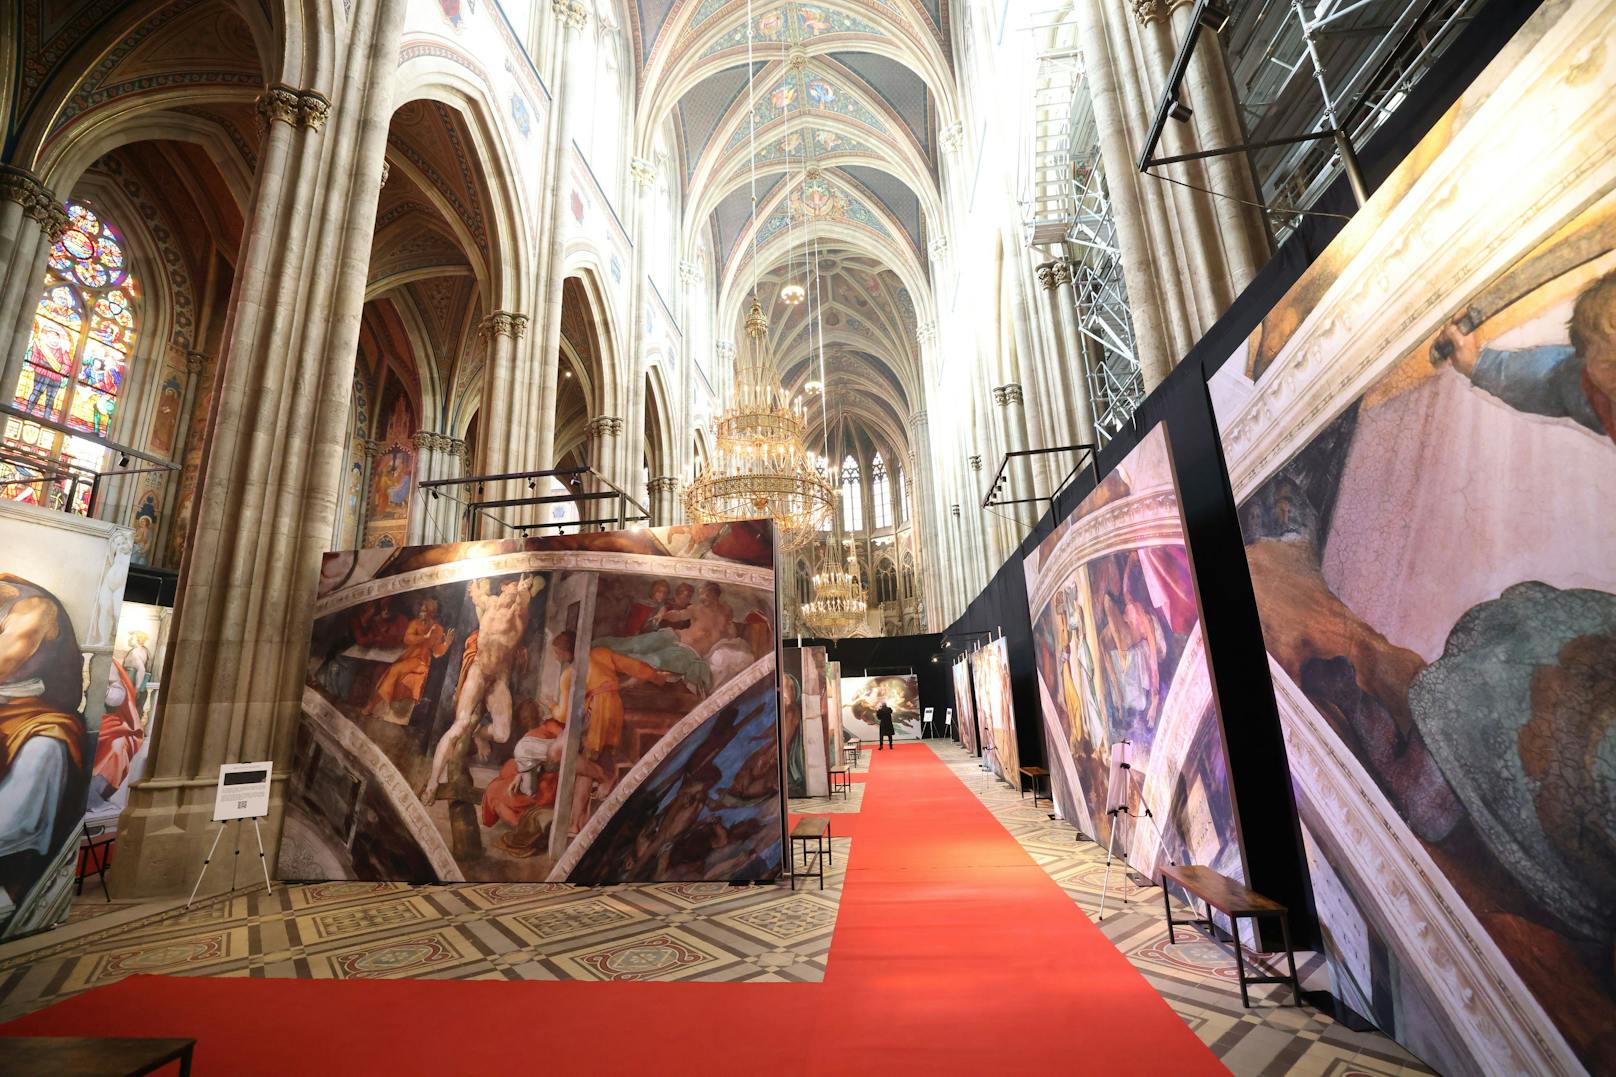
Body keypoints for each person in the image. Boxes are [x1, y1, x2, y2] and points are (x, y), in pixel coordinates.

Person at [0, 574, 89, 926]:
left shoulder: (34, 607)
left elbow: (4, 663)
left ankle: (12, 865)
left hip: (34, 712)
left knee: (44, 748)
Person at [546, 630, 679, 836]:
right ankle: (574, 823)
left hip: (597, 713)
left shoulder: (568, 674)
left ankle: (606, 777)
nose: (556, 657)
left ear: (566, 652)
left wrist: (551, 706)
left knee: (558, 754)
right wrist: (657, 678)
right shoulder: (601, 653)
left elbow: (563, 715)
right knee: (588, 763)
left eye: (557, 652)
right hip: (613, 708)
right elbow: (635, 667)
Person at [421, 575, 540, 803]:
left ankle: (480, 734)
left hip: (498, 679)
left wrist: (524, 590)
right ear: (504, 586)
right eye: (514, 584)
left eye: (521, 586)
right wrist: (474, 585)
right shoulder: (491, 603)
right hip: (478, 671)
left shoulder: (518, 612)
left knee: (503, 734)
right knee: (460, 725)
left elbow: (523, 601)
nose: (518, 589)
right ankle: (432, 784)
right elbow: (476, 595)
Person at [364, 597, 454, 725]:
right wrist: (424, 637)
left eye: (425, 610)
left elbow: (436, 652)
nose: (421, 612)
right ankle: (375, 706)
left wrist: (446, 644)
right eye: (422, 608)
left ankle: (373, 706)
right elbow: (407, 639)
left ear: (432, 613)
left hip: (421, 662)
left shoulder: (438, 629)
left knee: (395, 670)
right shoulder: (415, 623)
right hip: (408, 657)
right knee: (389, 671)